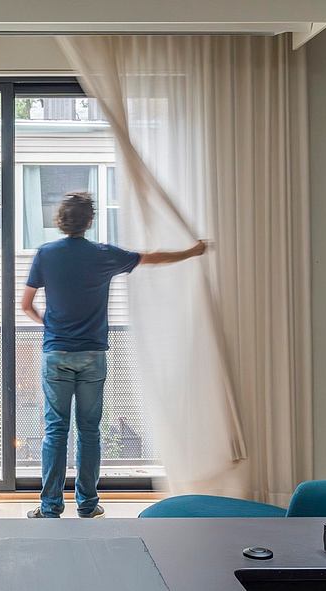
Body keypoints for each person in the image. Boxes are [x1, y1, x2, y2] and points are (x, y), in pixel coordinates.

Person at [22, 191, 206, 519]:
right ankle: (88, 506)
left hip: (56, 353)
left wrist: (48, 325)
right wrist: (193, 251)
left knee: (55, 430)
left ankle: (50, 508)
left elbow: (25, 305)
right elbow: (154, 257)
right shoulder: (104, 255)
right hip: (93, 355)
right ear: (89, 220)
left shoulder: (45, 254)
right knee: (89, 430)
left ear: (60, 220)